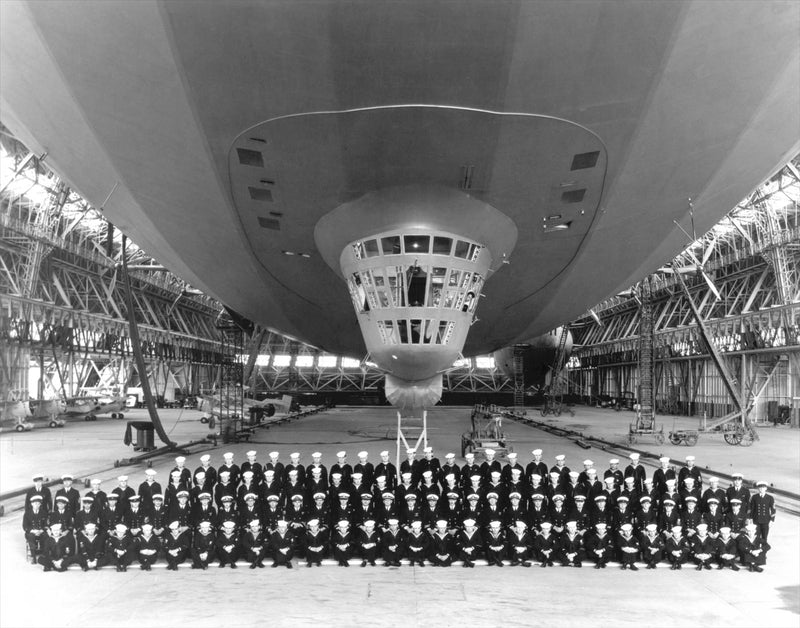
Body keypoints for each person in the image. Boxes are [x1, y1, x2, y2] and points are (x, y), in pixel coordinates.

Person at [23, 495, 49, 564]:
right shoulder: (27, 513)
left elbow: (46, 524)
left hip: (41, 531)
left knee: (45, 536)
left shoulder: (44, 513)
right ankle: (33, 556)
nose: (36, 505)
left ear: (40, 504)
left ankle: (44, 554)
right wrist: (33, 531)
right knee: (31, 537)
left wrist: (41, 530)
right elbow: (25, 526)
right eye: (35, 503)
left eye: (38, 503)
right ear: (32, 504)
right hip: (31, 532)